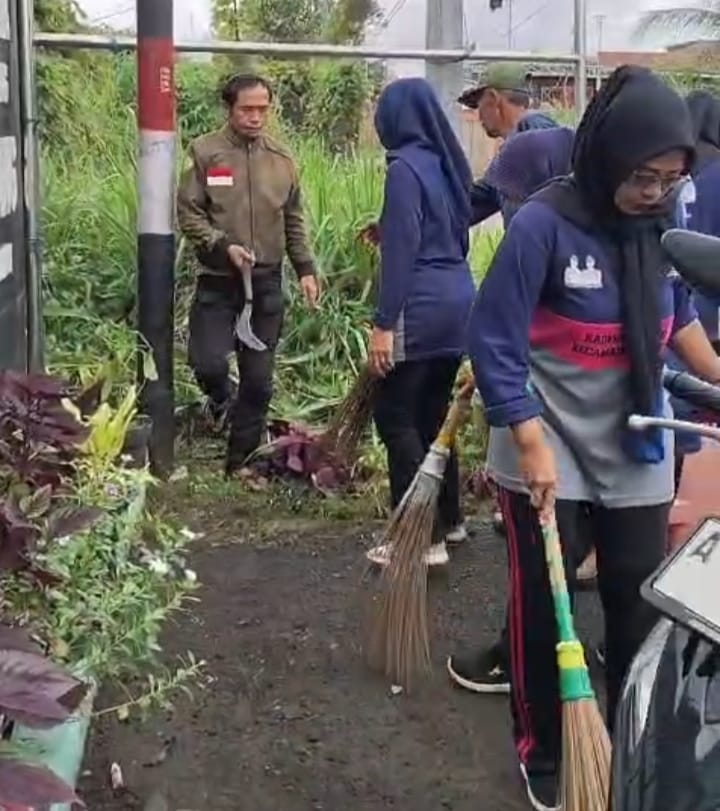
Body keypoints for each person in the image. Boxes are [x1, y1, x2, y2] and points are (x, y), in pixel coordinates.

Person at [464, 66, 720, 811]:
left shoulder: (655, 234)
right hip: (542, 438)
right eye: (643, 176)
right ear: (608, 155)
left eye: (671, 178)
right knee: (545, 610)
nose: (655, 191)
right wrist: (528, 437)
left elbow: (681, 328)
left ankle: (626, 744)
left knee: (638, 605)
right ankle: (542, 746)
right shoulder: (544, 225)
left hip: (633, 440)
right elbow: (495, 339)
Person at [448, 126, 576, 696]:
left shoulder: (553, 237)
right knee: (557, 557)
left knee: (543, 563)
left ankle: (521, 666)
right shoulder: (572, 233)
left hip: (554, 425)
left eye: (519, 195)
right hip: (576, 429)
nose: (513, 210)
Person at [177, 74, 319, 475]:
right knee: (207, 363)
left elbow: (293, 220)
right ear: (230, 108)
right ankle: (222, 399)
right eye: (247, 109)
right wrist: (223, 246)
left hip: (266, 282)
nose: (256, 117)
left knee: (259, 381)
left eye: (263, 109)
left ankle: (240, 461)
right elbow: (189, 212)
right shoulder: (205, 152)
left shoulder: (282, 160)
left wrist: (305, 268)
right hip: (218, 280)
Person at [364, 78, 476, 568]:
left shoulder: (404, 167)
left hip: (422, 304)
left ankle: (417, 536)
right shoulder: (445, 164)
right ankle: (449, 521)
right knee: (432, 417)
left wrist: (384, 322)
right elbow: (441, 231)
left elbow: (403, 252)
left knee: (395, 417)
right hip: (457, 299)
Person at [458, 63, 559, 227]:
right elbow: (475, 200)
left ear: (493, 99)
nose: (478, 116)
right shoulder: (508, 162)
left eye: (479, 105)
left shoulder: (537, 135)